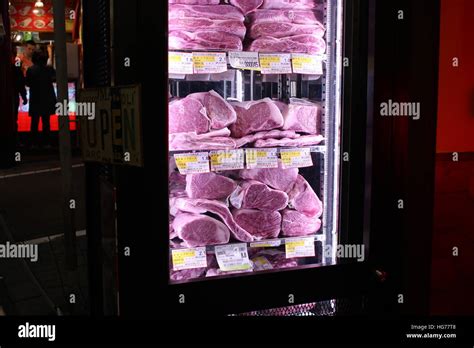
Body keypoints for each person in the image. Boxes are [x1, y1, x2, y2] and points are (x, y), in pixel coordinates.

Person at [25, 50, 57, 148]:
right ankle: (46, 142)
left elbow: (28, 83)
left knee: (34, 122)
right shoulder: (49, 69)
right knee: (46, 122)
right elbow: (55, 78)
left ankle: (34, 143)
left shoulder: (30, 70)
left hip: (35, 99)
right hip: (47, 99)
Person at [12, 44, 28, 138]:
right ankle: (15, 139)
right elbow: (20, 81)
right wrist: (24, 96)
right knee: (14, 118)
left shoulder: (16, 63)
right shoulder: (16, 64)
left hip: (12, 95)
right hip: (13, 96)